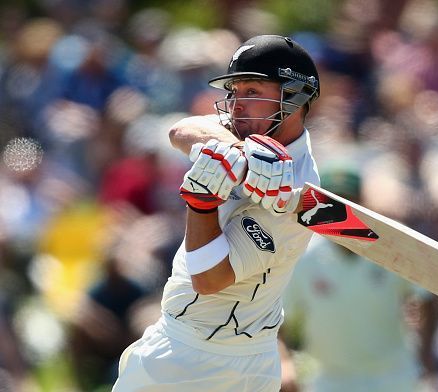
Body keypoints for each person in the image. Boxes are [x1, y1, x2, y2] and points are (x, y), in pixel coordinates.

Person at [112, 34, 321, 391]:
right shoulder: (248, 132)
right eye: (234, 92)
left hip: (210, 359)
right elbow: (181, 130)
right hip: (188, 344)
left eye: (252, 91)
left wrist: (201, 202)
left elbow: (209, 279)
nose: (236, 106)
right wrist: (240, 157)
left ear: (294, 96)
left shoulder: (299, 193)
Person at [281, 163, 434, 392]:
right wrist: (284, 364)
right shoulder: (304, 256)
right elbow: (278, 321)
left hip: (393, 376)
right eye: (332, 203)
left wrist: (425, 354)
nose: (339, 212)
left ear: (363, 202)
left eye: (348, 201)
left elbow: (427, 299)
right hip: (330, 379)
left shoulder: (391, 246)